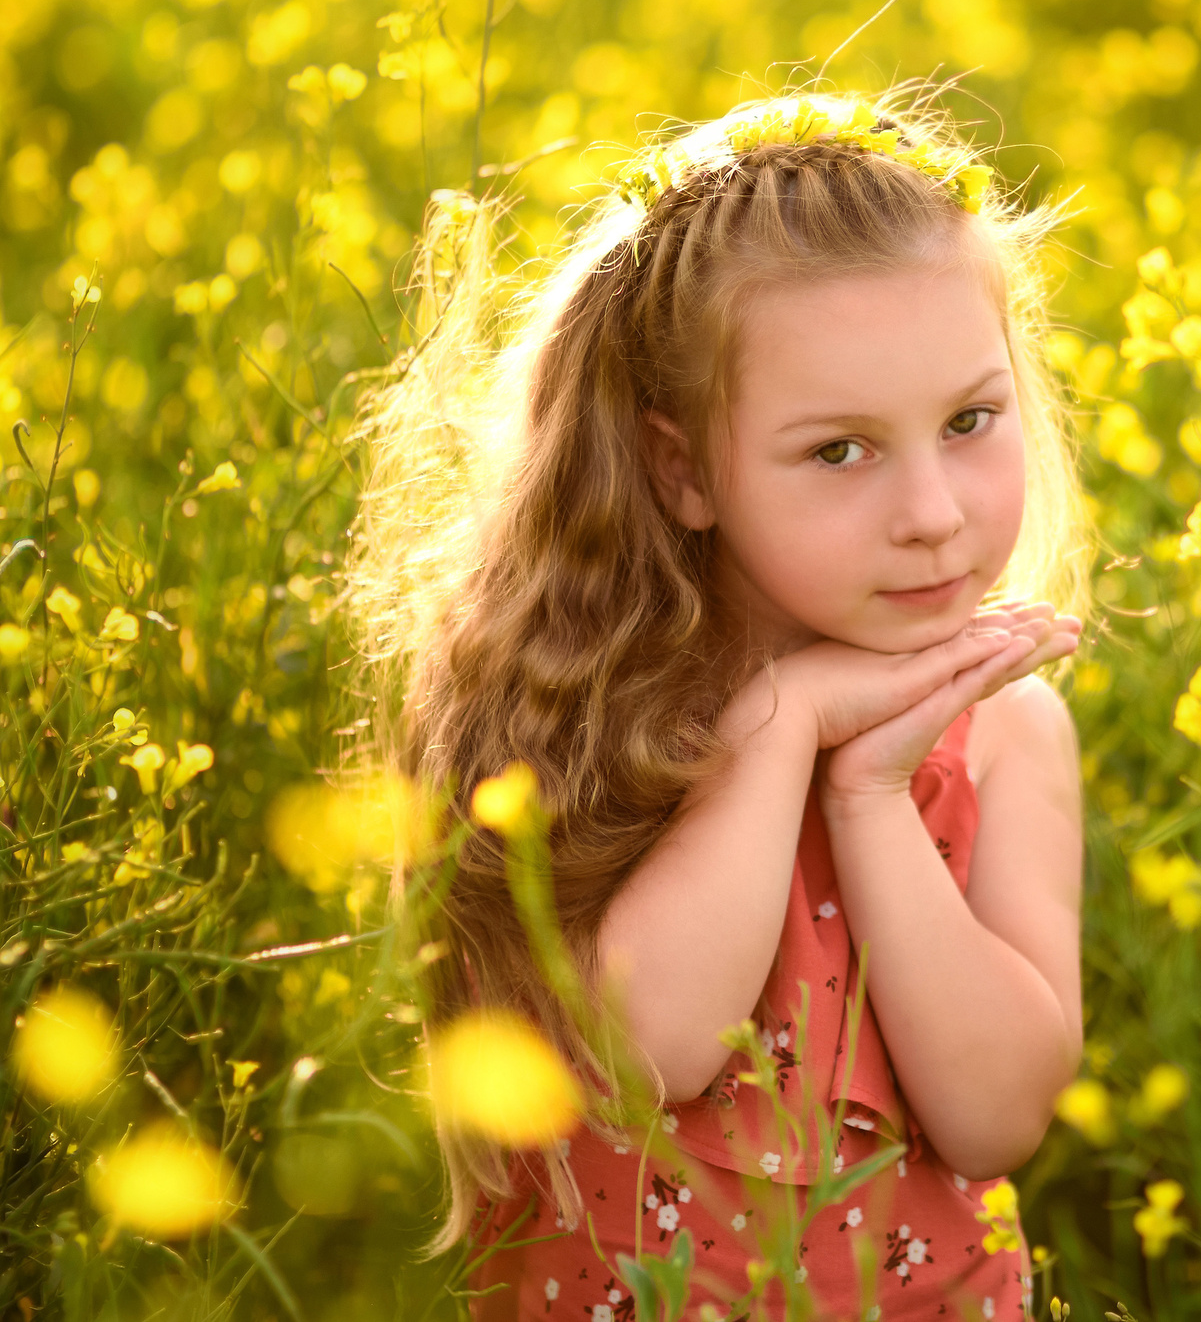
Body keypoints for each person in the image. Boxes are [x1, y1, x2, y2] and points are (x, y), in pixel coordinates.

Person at [345, 90, 1092, 1321]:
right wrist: (780, 724)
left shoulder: (1007, 733)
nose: (933, 510)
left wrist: (867, 790)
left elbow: (996, 1117)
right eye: (839, 450)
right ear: (682, 467)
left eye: (969, 420)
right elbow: (645, 1058)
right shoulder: (590, 705)